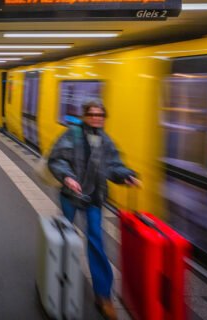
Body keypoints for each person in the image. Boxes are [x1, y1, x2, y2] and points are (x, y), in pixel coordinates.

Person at [47, 100, 141, 320]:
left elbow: (114, 166)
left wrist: (127, 175)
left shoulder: (106, 141)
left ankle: (103, 295)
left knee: (97, 242)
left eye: (100, 115)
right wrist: (68, 177)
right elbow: (56, 159)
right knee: (64, 236)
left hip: (94, 198)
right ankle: (56, 277)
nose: (97, 118)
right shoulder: (73, 135)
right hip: (71, 196)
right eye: (92, 114)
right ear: (85, 116)